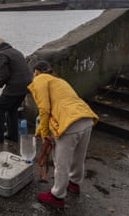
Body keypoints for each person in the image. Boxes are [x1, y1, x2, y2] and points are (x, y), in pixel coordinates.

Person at [27, 60, 98, 208]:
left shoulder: (40, 79)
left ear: (36, 72)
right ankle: (74, 183)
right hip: (86, 118)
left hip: (68, 125)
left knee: (61, 163)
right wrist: (41, 130)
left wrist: (45, 133)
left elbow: (45, 109)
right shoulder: (60, 81)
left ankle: (57, 196)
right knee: (79, 157)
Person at [0, 36, 32, 143]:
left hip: (15, 86)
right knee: (12, 109)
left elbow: (4, 75)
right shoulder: (15, 51)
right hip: (26, 86)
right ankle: (12, 135)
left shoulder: (1, 55)